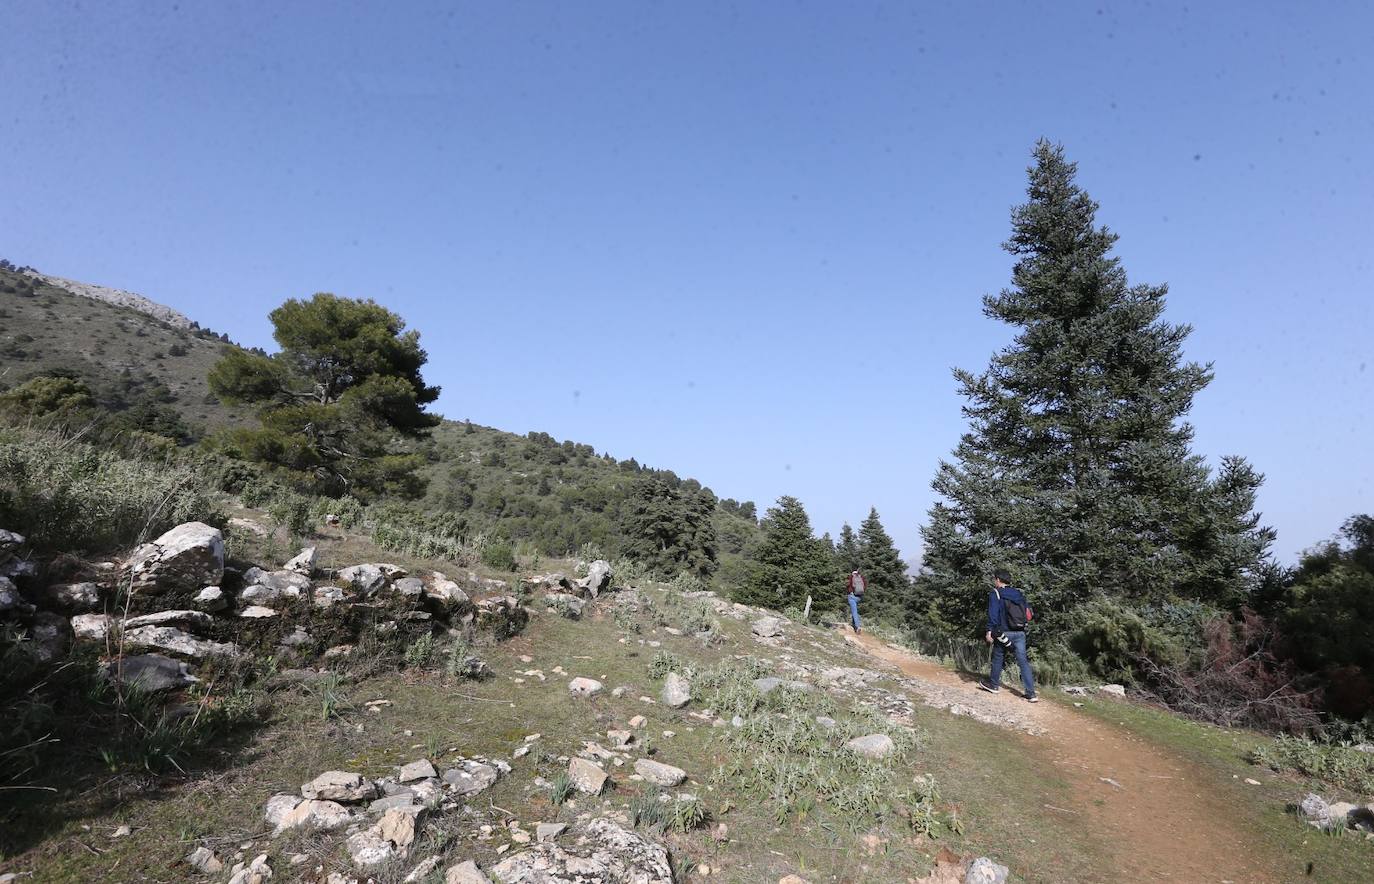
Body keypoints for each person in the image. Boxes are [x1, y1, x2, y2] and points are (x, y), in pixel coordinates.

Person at [979, 568, 1037, 702]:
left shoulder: (996, 593)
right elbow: (1027, 612)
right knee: (1023, 661)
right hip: (1020, 632)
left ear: (998, 580)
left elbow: (993, 615)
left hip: (1003, 632)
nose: (994, 581)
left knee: (998, 656)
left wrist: (989, 631)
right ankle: (1031, 693)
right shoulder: (1018, 594)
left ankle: (994, 685)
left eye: (995, 579)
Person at [846, 569, 865, 634]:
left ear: (852, 574)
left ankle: (857, 626)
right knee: (854, 610)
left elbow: (847, 585)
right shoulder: (861, 578)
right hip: (859, 597)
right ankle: (854, 625)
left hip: (852, 596)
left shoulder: (851, 578)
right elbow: (865, 587)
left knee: (854, 611)